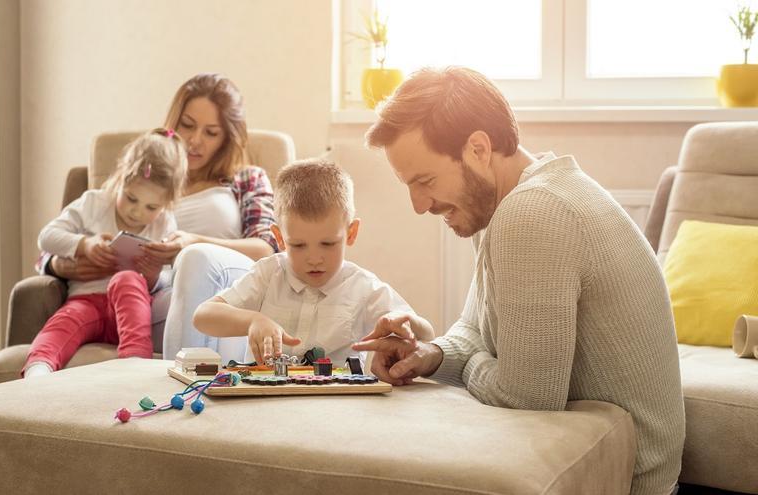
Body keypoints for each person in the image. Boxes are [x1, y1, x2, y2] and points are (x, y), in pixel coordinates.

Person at [352, 67, 685, 495]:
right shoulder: (504, 204)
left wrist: (471, 365)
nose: (419, 205)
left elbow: (526, 398)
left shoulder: (533, 213)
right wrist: (428, 354)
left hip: (625, 479)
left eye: (426, 181)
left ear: (478, 148)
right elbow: (477, 330)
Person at [40, 73, 279, 364]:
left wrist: (192, 243)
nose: (194, 140)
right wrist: (62, 265)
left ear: (227, 137)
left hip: (218, 290)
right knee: (140, 288)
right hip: (149, 296)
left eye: (211, 133)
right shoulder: (140, 177)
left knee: (195, 260)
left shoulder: (246, 178)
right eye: (187, 125)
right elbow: (61, 237)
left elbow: (267, 248)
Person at [193, 159, 434, 366]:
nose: (314, 258)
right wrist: (253, 320)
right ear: (280, 238)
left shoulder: (363, 287)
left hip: (334, 407)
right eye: (298, 245)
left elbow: (426, 334)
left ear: (351, 233)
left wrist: (406, 322)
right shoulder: (269, 274)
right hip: (268, 402)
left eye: (328, 244)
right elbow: (203, 316)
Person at [24, 129, 187, 378]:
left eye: (151, 207)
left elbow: (169, 279)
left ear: (166, 204)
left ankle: (134, 366)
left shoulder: (164, 223)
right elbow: (46, 236)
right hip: (87, 299)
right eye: (131, 198)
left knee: (127, 279)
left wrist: (153, 275)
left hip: (132, 307)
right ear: (120, 178)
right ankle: (39, 367)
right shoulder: (94, 203)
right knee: (63, 323)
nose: (137, 212)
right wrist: (84, 245)